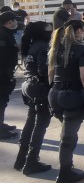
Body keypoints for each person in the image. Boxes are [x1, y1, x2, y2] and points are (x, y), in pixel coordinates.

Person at [48, 19, 84, 183]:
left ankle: (67, 167)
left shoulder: (57, 47)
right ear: (79, 31)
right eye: (82, 30)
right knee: (67, 137)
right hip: (72, 95)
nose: (83, 33)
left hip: (55, 94)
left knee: (68, 133)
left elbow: (51, 73)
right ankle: (65, 173)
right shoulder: (82, 50)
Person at [14, 21, 54, 174]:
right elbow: (44, 71)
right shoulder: (43, 47)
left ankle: (21, 157)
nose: (51, 33)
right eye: (49, 31)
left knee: (31, 121)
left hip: (29, 86)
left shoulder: (30, 46)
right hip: (40, 88)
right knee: (40, 124)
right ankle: (32, 161)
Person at [0, 10, 20, 140]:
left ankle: (1, 125)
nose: (17, 22)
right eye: (15, 20)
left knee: (3, 101)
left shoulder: (6, 33)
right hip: (2, 73)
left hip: (5, 72)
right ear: (9, 22)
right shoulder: (2, 34)